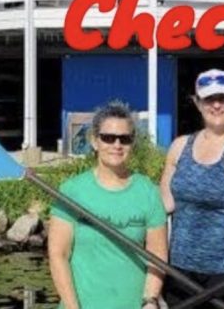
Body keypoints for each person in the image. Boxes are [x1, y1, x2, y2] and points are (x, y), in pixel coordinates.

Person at [48, 101, 167, 309]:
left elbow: (157, 254)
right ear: (95, 141)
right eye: (108, 138)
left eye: (125, 139)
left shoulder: (148, 191)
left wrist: (150, 299)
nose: (117, 145)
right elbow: (59, 255)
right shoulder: (72, 191)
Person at [160, 69, 224, 309]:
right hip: (179, 272)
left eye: (223, 98)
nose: (216, 105)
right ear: (197, 103)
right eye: (208, 99)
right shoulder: (179, 147)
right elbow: (162, 206)